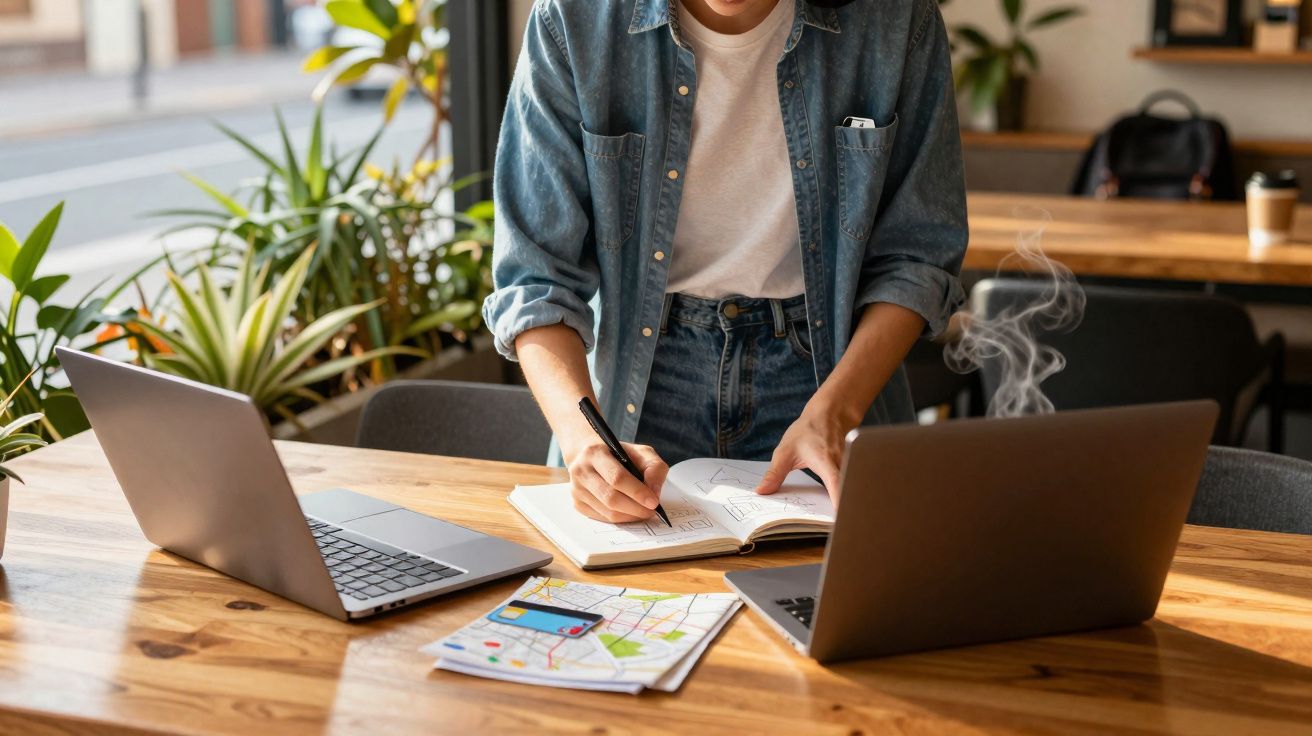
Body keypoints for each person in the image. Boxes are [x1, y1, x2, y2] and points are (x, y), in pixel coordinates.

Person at [483, 0, 967, 523]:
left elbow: (917, 257)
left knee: (833, 600)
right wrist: (583, 442)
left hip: (832, 379)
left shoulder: (896, 20)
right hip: (637, 388)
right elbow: (536, 278)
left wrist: (838, 411)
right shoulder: (575, 18)